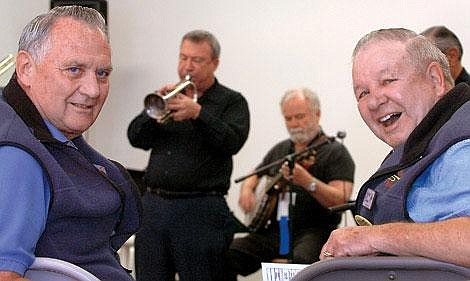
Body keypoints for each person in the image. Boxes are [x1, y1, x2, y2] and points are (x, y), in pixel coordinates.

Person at [0, 6, 141, 281]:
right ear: (26, 69)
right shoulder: (19, 157)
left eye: (102, 73)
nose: (93, 89)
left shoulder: (46, 132)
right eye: (74, 70)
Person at [320, 28, 470, 268]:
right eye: (363, 92)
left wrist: (373, 238)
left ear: (434, 79)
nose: (374, 100)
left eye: (388, 81)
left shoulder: (461, 146)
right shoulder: (422, 140)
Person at [127, 29, 250, 281]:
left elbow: (232, 142)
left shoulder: (232, 102)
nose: (187, 66)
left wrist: (198, 114)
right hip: (155, 208)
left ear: (214, 63)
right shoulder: (169, 98)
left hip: (201, 211)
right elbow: (135, 138)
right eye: (183, 58)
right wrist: (153, 113)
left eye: (196, 60)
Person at [225, 88, 355, 279]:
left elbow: (340, 199)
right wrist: (247, 190)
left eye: (300, 116)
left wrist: (308, 182)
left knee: (302, 263)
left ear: (317, 114)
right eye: (288, 118)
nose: (294, 124)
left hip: (314, 231)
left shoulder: (335, 152)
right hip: (274, 232)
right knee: (225, 254)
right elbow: (255, 174)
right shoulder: (282, 149)